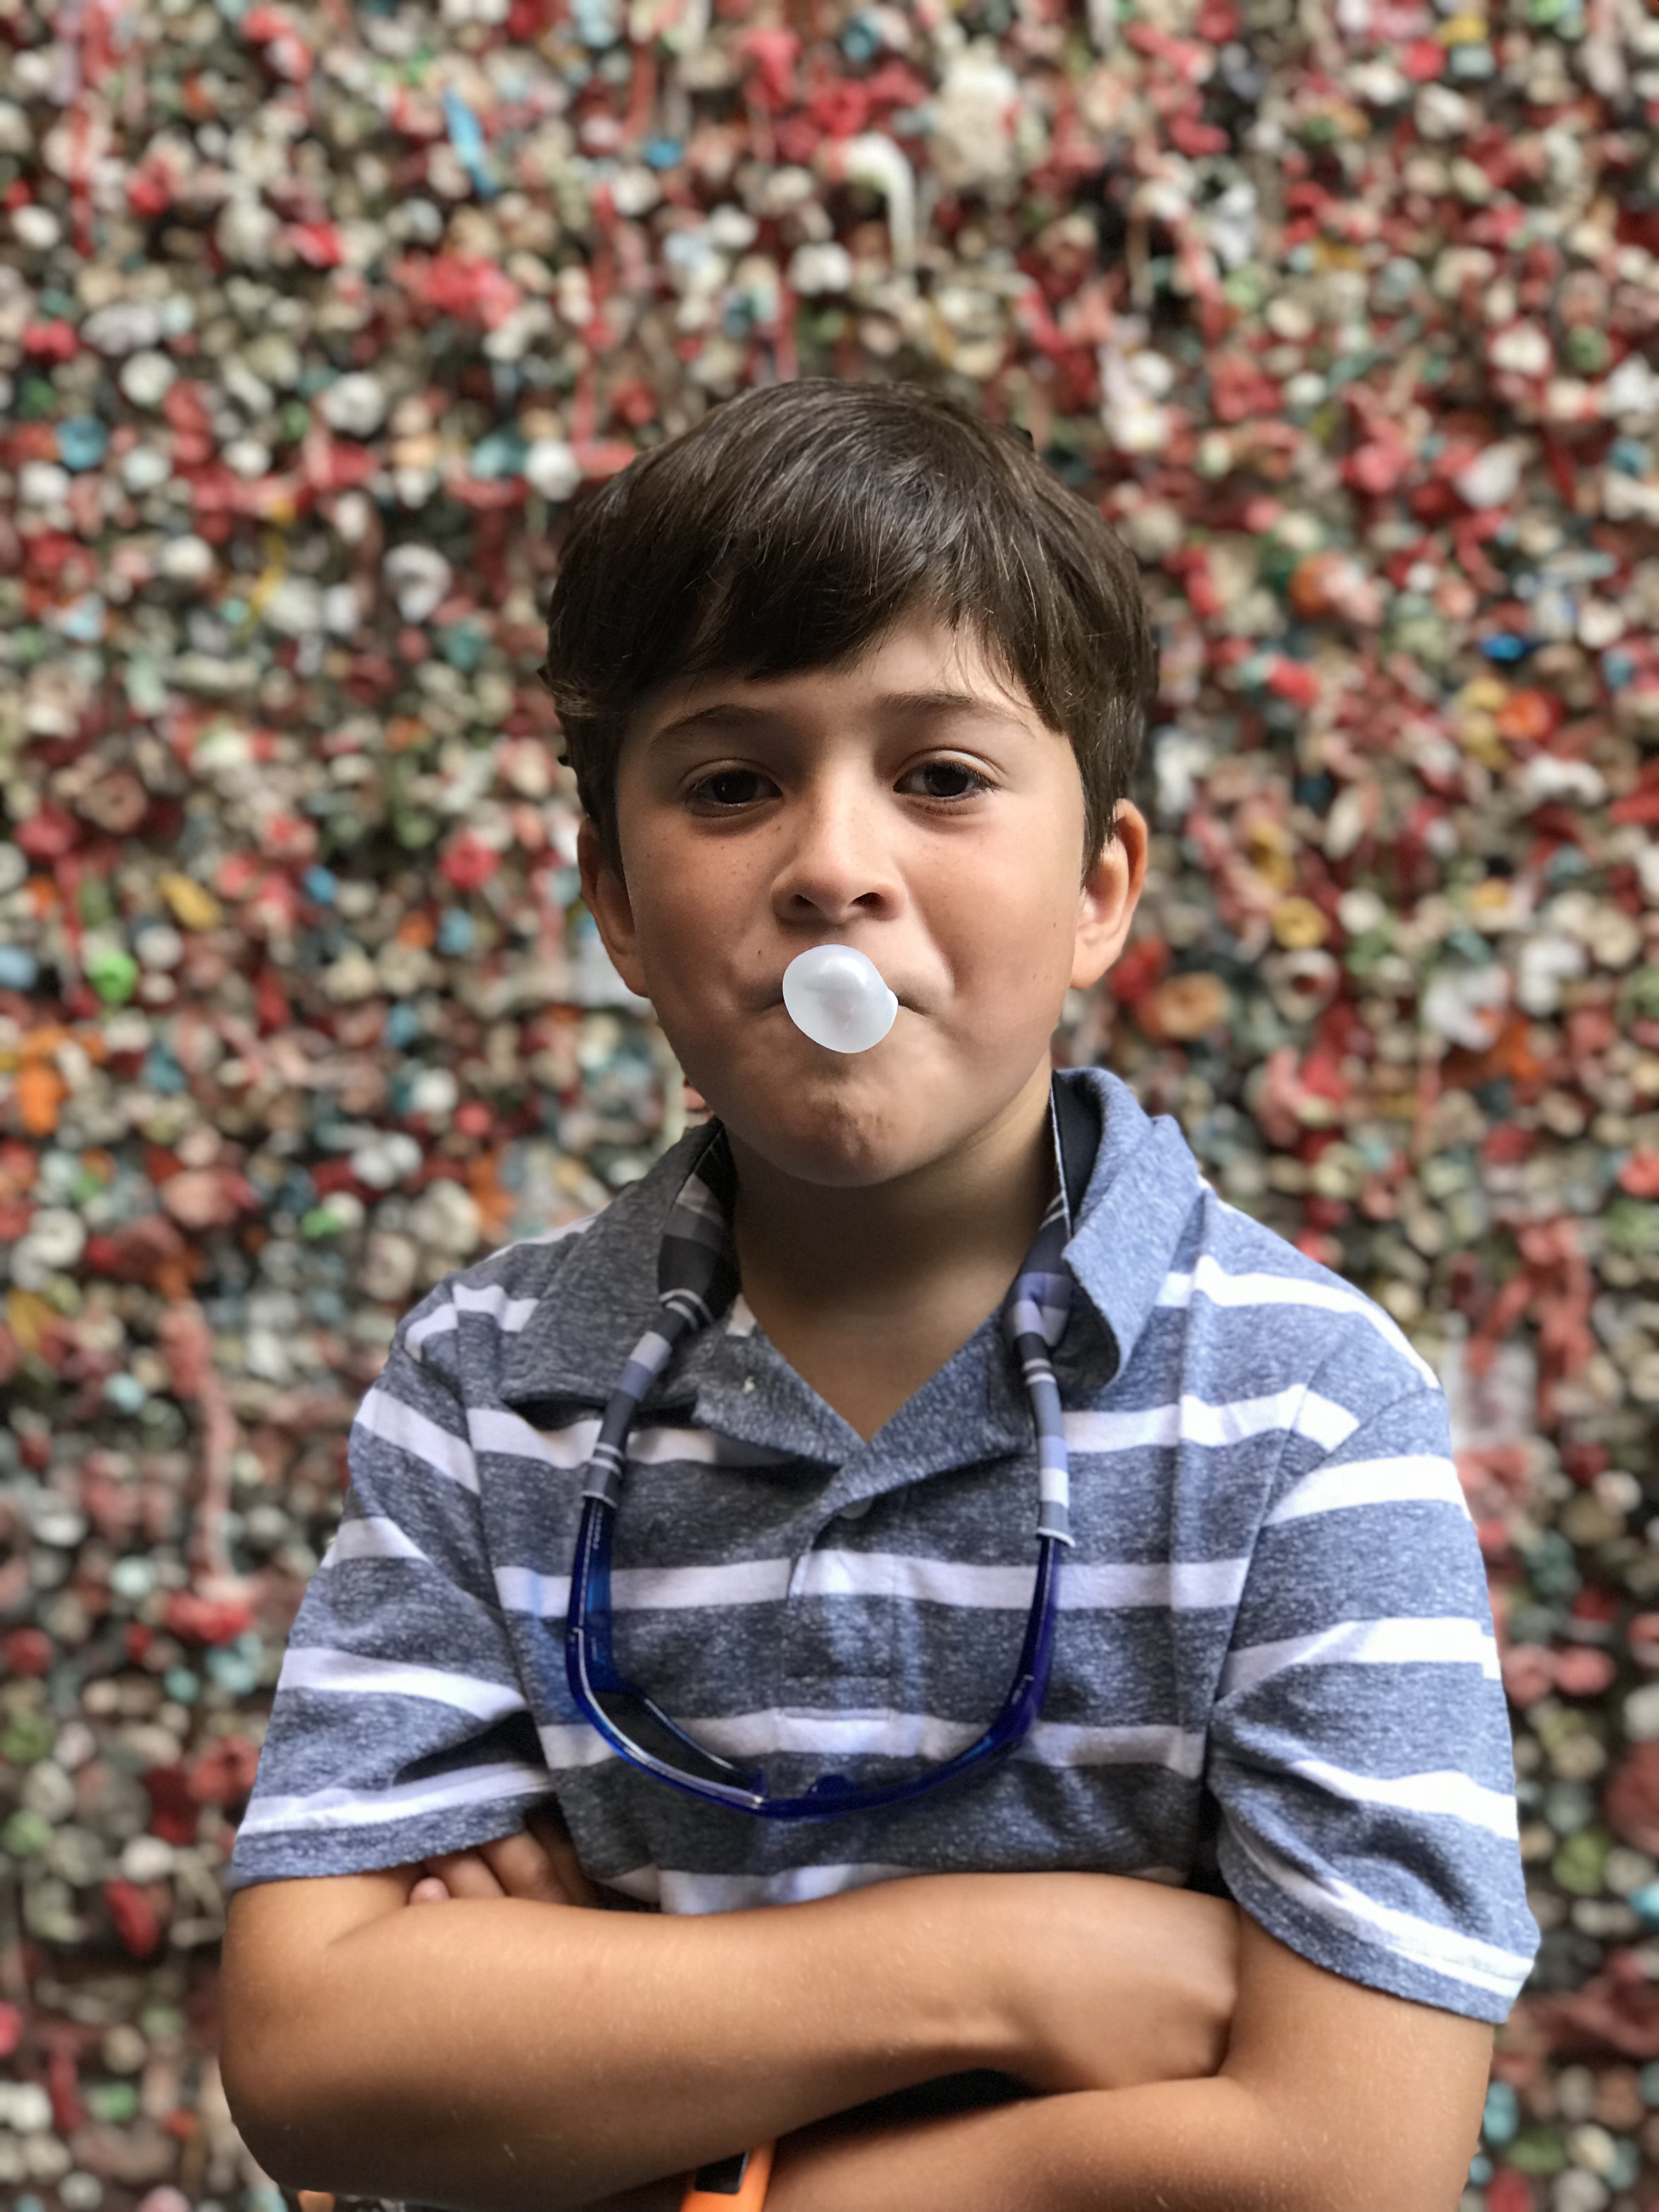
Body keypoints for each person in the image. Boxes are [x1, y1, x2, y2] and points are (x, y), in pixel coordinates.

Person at [219, 378, 1538, 2212]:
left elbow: (1347, 2165)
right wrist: (1005, 1970)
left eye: (941, 778)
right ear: (616, 901)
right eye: (732, 784)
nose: (835, 868)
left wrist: (627, 2102)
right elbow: (312, 2059)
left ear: (1099, 891)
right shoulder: (486, 1388)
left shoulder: (1307, 1411)